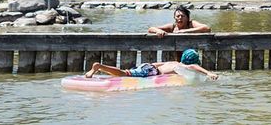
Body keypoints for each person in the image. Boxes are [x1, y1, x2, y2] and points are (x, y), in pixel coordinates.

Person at [86, 49, 219, 80]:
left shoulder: (174, 62)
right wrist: (208, 73)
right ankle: (99, 66)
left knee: (127, 72)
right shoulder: (182, 66)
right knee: (124, 74)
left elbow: (156, 64)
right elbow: (192, 67)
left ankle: (100, 67)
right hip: (151, 71)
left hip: (149, 66)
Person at [147, 6, 212, 37]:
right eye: (178, 16)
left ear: (187, 18)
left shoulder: (191, 24)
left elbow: (207, 28)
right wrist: (158, 31)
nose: (180, 18)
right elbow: (151, 29)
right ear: (174, 18)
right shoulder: (172, 27)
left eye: (182, 16)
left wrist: (184, 31)